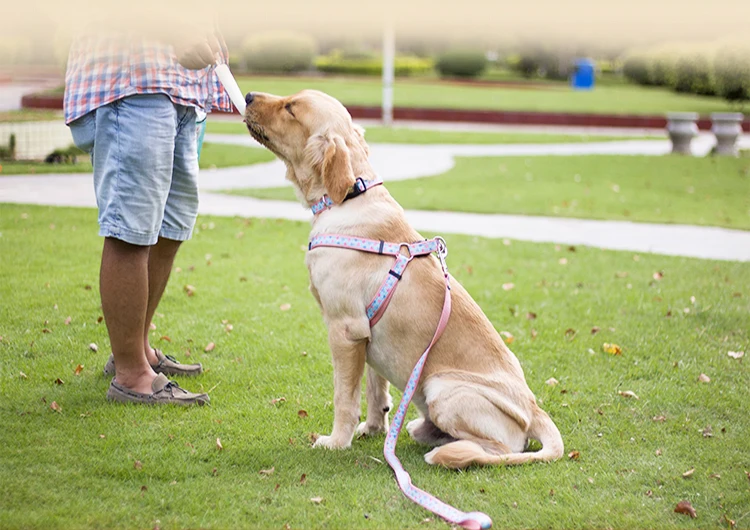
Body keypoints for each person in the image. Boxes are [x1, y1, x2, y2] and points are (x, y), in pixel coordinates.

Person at [64, 19, 233, 405]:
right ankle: (131, 375)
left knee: (171, 225)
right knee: (132, 228)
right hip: (132, 79)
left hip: (180, 87)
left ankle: (136, 348)